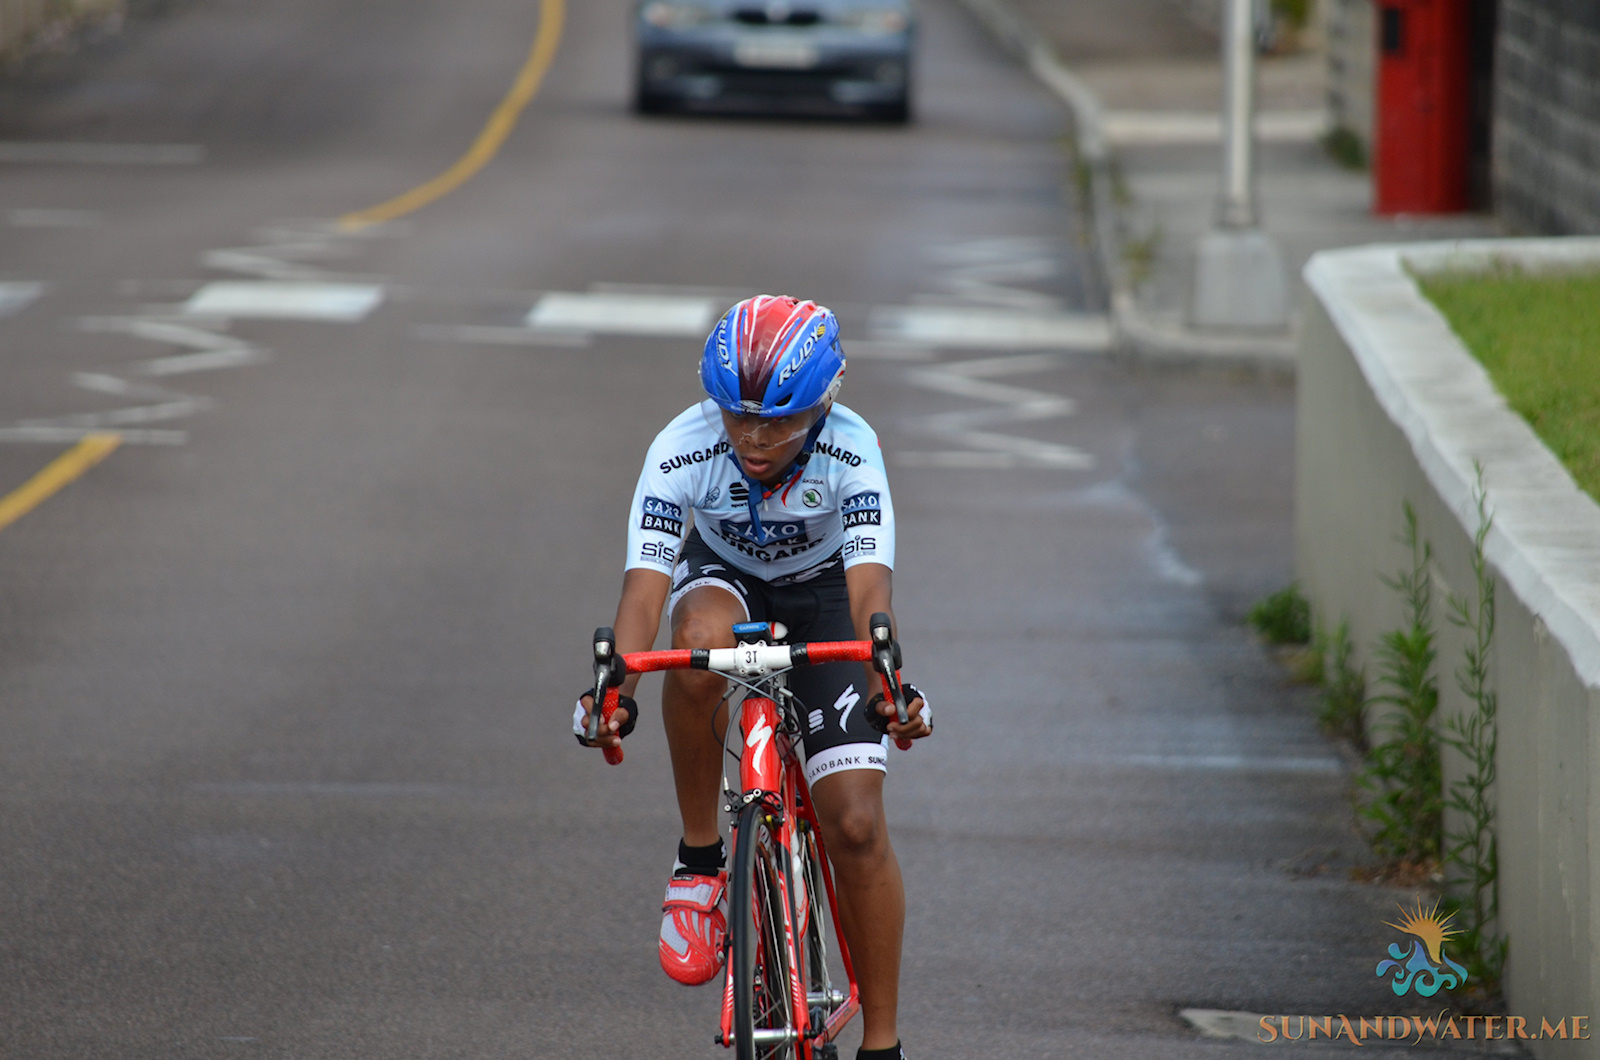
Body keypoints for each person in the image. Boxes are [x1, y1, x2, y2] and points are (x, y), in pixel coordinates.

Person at [574, 294, 932, 1060]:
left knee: (858, 826)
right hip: (724, 580)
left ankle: (883, 1043)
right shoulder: (682, 446)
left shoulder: (852, 448)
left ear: (823, 407)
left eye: (778, 421)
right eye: (738, 418)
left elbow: (872, 593)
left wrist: (886, 684)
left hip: (829, 593)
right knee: (694, 643)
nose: (754, 438)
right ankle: (702, 859)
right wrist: (615, 693)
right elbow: (642, 591)